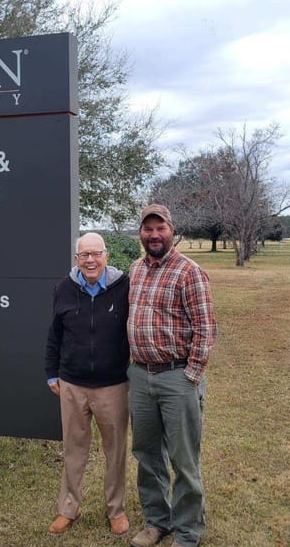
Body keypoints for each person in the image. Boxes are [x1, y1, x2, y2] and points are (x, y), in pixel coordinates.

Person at [127, 205, 218, 547]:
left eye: (159, 228)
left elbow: (206, 328)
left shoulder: (188, 272)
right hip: (139, 375)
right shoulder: (135, 269)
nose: (153, 235)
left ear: (171, 230)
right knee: (147, 455)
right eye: (147, 229)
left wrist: (190, 376)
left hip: (177, 377)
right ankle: (156, 522)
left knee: (183, 458)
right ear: (141, 233)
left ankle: (188, 530)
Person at [44, 232, 131, 536]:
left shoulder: (124, 287)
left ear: (106, 256)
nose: (91, 260)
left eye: (96, 254)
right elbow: (55, 334)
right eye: (84, 255)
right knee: (73, 449)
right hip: (72, 383)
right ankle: (69, 508)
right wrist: (52, 373)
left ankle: (116, 510)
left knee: (116, 450)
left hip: (113, 385)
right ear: (76, 259)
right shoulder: (64, 289)